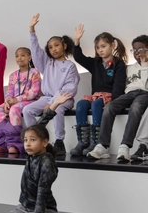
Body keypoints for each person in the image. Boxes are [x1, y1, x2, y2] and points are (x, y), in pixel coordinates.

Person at [22, 13, 80, 156]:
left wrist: (54, 103)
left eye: (56, 45)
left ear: (64, 46)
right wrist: (31, 30)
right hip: (46, 98)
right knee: (27, 110)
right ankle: (35, 139)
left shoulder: (70, 66)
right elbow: (35, 51)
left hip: (64, 99)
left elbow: (69, 89)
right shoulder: (47, 63)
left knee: (58, 110)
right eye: (50, 47)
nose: (53, 49)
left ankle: (59, 141)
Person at [88, 35, 148, 161]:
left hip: (144, 93)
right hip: (129, 93)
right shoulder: (129, 68)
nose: (137, 53)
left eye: (141, 49)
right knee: (110, 106)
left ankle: (125, 146)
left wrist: (144, 64)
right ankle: (102, 145)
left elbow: (144, 85)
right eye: (134, 50)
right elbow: (121, 84)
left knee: (136, 107)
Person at [70, 25, 127, 156]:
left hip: (109, 97)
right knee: (81, 105)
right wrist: (77, 41)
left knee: (96, 105)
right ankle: (83, 141)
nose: (100, 50)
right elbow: (79, 57)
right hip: (95, 96)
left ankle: (97, 142)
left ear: (112, 45)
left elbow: (118, 86)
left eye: (103, 46)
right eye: (97, 47)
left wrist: (115, 102)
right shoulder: (95, 63)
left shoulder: (119, 64)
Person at [0, 47, 41, 154]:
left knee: (14, 109)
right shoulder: (13, 75)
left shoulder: (34, 72)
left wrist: (16, 100)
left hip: (30, 101)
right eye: (17, 56)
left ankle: (15, 144)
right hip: (14, 101)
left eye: (23, 55)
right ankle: (1, 143)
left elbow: (34, 92)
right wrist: (8, 101)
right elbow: (9, 91)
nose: (19, 58)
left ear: (29, 57)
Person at [4, 125, 59, 213]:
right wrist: (50, 112)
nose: (27, 143)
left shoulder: (46, 161)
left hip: (44, 209)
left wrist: (38, 212)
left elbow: (43, 189)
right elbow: (37, 126)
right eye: (25, 140)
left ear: (44, 142)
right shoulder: (32, 155)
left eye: (32, 140)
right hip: (25, 207)